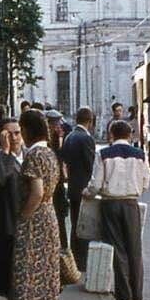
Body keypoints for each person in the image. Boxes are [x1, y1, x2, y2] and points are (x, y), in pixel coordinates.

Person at [13, 109, 70, 300]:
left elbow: (36, 192)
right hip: (49, 216)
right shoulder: (50, 153)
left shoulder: (34, 155)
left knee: (40, 272)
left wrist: (23, 216)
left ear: (26, 130)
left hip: (36, 219)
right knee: (48, 272)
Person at [0, 118, 43, 300]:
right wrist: (6, 153)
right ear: (2, 137)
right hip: (8, 224)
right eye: (9, 134)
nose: (15, 137)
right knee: (12, 274)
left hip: (32, 223)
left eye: (17, 132)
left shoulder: (33, 155)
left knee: (34, 272)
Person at [84, 120, 150, 300]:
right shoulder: (140, 155)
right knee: (134, 248)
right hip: (131, 203)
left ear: (112, 134)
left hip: (110, 204)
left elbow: (96, 183)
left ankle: (124, 293)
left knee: (117, 247)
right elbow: (145, 183)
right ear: (130, 135)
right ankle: (137, 293)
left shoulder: (104, 154)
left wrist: (88, 193)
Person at [61, 106, 96, 272]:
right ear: (90, 121)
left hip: (73, 186)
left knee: (75, 224)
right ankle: (82, 261)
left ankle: (73, 259)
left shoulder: (70, 136)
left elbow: (65, 160)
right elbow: (91, 165)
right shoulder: (86, 138)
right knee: (85, 226)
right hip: (84, 188)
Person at [45, 109, 69, 251]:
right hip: (53, 188)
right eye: (56, 123)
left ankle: (63, 248)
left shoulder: (58, 140)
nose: (60, 126)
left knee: (60, 219)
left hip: (58, 187)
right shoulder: (48, 142)